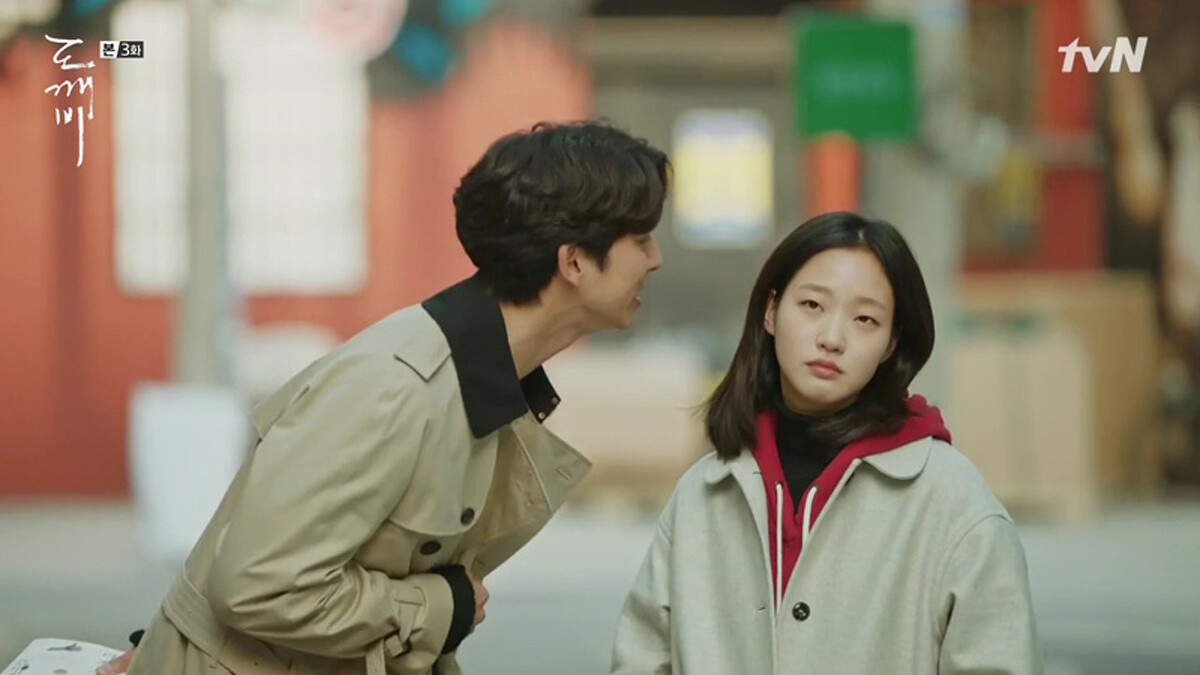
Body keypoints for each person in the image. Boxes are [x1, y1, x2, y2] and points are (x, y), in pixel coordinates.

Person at [106, 120, 669, 675]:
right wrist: (437, 608)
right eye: (640, 239)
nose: (656, 259)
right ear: (574, 262)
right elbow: (258, 583)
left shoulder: (481, 376)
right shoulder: (393, 388)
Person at [610, 211, 1042, 675]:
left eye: (865, 319)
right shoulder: (702, 495)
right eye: (813, 305)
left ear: (891, 343)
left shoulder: (955, 502)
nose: (832, 338)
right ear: (771, 311)